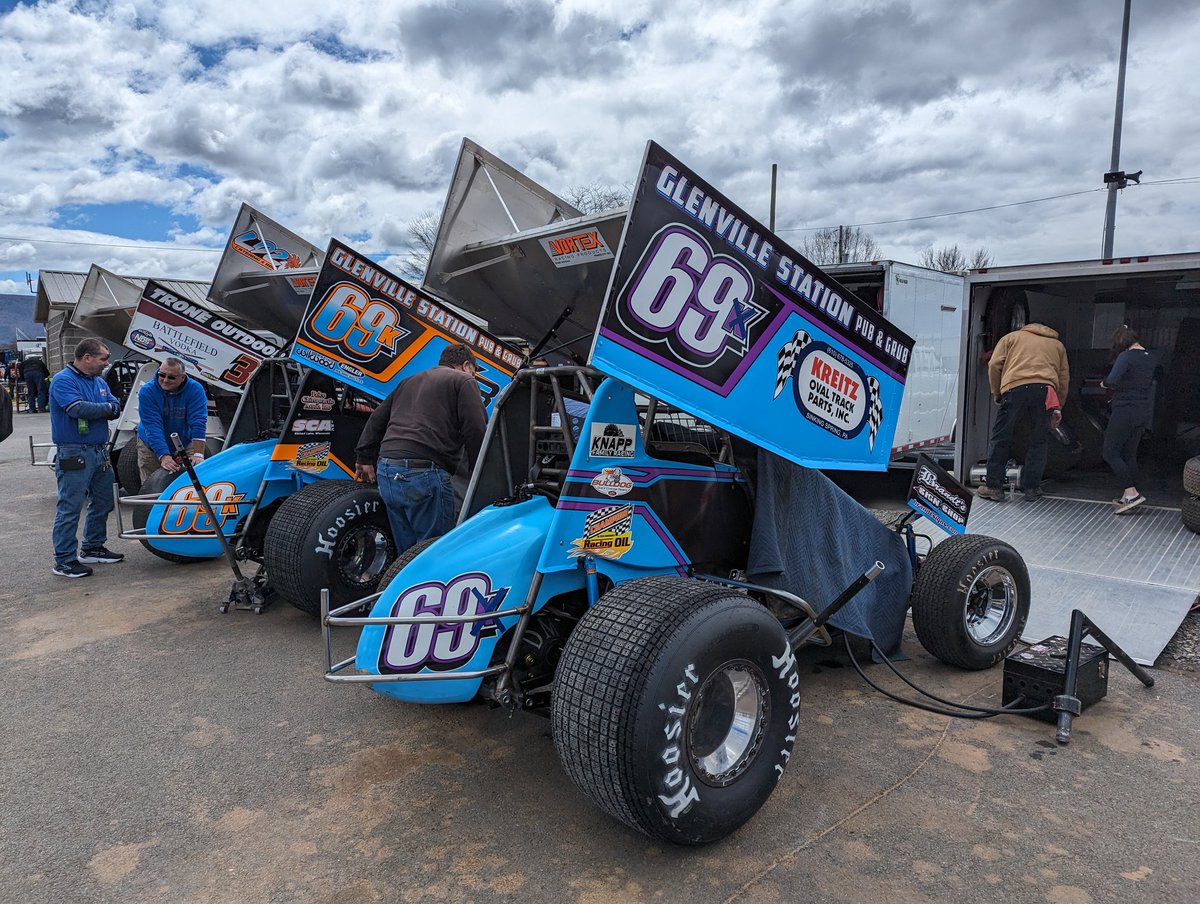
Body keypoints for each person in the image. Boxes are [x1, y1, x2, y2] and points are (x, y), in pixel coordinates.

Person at [354, 343, 486, 551]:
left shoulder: (409, 381)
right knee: (433, 552)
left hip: (387, 470)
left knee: (407, 553)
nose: (474, 375)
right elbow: (475, 429)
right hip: (424, 473)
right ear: (466, 365)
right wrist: (481, 471)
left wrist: (363, 457)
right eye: (475, 370)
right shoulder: (464, 380)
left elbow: (377, 419)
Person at [49, 338, 125, 578]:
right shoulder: (63, 380)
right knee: (70, 507)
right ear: (87, 357)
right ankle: (64, 560)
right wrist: (106, 408)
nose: (107, 363)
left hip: (99, 451)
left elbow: (116, 405)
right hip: (74, 451)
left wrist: (104, 407)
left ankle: (93, 547)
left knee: (104, 501)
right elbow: (77, 409)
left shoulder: (98, 382)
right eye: (103, 358)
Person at [977, 323, 1070, 502]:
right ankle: (1032, 489)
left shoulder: (1011, 338)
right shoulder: (1058, 346)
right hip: (1045, 391)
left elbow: (995, 365)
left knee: (1001, 438)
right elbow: (1064, 377)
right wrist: (1058, 406)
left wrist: (997, 392)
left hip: (1015, 388)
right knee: (1038, 441)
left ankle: (994, 488)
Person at [1102, 325, 1155, 514]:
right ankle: (1129, 496)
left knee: (1110, 452)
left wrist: (1103, 383)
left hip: (1125, 410)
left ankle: (1131, 493)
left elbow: (1112, 380)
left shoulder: (1126, 357)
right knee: (1129, 453)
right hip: (1143, 411)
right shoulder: (1150, 357)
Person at [135, 357, 209, 481]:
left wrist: (198, 454)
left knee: (195, 478)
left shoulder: (195, 389)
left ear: (182, 378)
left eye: (171, 377)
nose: (165, 380)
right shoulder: (147, 391)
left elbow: (198, 422)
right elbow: (153, 426)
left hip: (184, 439)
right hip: (150, 443)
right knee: (151, 486)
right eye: (162, 375)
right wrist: (164, 455)